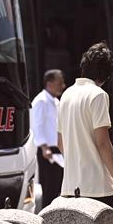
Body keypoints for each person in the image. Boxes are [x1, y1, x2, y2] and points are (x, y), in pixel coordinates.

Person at [56, 43, 113, 205]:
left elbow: (60, 142)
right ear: (107, 75)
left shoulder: (66, 95)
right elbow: (103, 143)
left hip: (70, 188)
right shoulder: (98, 95)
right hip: (98, 189)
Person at [31, 69, 66, 210]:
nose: (63, 86)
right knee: (49, 188)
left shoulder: (55, 101)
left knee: (59, 187)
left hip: (57, 151)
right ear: (49, 84)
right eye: (59, 83)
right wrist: (44, 148)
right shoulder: (41, 100)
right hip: (47, 152)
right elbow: (37, 125)